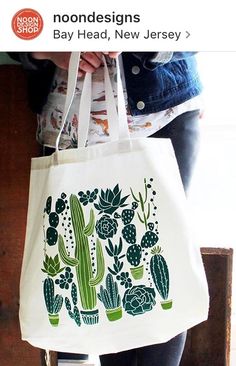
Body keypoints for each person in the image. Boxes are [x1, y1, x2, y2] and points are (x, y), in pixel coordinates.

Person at [9, 51, 202, 366]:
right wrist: (43, 49)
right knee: (109, 278)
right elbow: (16, 19)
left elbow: (199, 20)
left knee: (160, 267)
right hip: (68, 122)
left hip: (162, 113)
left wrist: (140, 38)